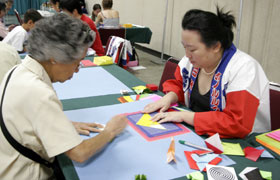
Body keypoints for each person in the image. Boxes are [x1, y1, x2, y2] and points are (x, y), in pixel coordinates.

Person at [0, 13, 127, 179]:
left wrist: (60, 124)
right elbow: (80, 153)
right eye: (76, 62)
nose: (77, 69)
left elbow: (26, 118)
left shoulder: (18, 70)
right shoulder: (39, 92)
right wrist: (110, 131)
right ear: (54, 58)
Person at [143, 7, 271, 139]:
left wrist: (184, 116)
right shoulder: (192, 62)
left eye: (192, 49)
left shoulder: (244, 69)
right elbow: (179, 85)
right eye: (184, 47)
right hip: (198, 132)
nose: (187, 55)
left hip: (240, 142)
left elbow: (236, 123)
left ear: (216, 46)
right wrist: (169, 98)